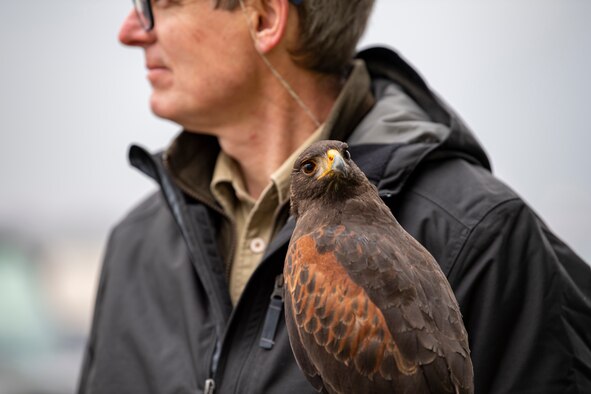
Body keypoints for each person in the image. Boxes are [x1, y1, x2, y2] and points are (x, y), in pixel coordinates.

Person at [78, 0, 591, 393]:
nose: (130, 31)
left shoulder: (482, 233)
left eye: (158, 3)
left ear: (262, 17)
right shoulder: (134, 246)